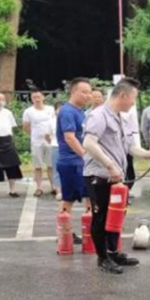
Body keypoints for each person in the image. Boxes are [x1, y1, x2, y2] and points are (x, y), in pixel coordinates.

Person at [83, 78, 150, 275]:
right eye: (133, 98)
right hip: (99, 177)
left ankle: (114, 253)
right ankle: (103, 258)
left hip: (115, 177)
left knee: (116, 215)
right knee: (101, 217)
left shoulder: (121, 117)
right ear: (122, 95)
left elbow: (130, 147)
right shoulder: (99, 115)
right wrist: (110, 165)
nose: (133, 103)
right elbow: (88, 143)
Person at [56, 79, 91, 225]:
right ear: (73, 92)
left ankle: (90, 231)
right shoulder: (67, 111)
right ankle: (64, 233)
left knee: (90, 196)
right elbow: (69, 137)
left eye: (89, 92)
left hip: (82, 163)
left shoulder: (81, 112)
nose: (88, 96)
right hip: (71, 162)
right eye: (84, 92)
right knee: (68, 199)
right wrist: (86, 155)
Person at [22, 90, 57, 197]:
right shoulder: (28, 111)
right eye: (34, 97)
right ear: (31, 99)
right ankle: (39, 187)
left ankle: (53, 187)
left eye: (38, 97)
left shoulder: (50, 109)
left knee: (51, 165)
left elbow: (55, 123)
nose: (37, 99)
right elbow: (26, 127)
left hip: (50, 140)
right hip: (36, 141)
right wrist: (33, 135)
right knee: (38, 166)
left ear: (43, 97)